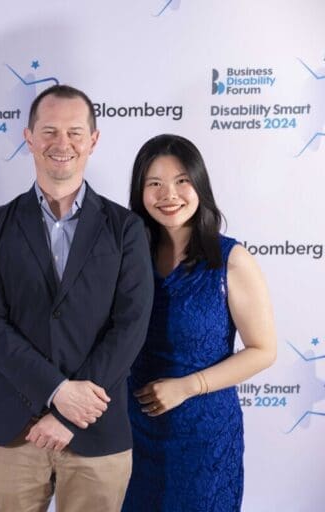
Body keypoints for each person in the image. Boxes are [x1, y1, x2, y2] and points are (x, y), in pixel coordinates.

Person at [0, 84, 154, 512]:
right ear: (29, 137)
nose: (62, 143)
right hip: (14, 431)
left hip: (96, 429)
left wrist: (71, 410)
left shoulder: (126, 229)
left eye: (74, 132)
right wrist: (57, 391)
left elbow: (131, 325)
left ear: (94, 139)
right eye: (49, 131)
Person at [122, 134, 276, 511]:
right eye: (154, 184)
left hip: (204, 436)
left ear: (199, 185)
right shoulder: (126, 256)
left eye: (181, 181)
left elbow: (263, 350)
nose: (169, 195)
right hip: (133, 433)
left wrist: (188, 387)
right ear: (140, 193)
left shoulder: (230, 259)